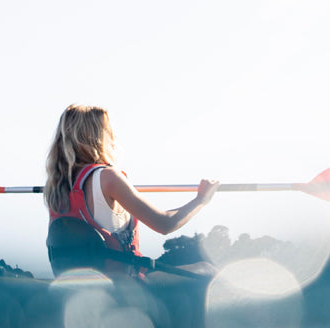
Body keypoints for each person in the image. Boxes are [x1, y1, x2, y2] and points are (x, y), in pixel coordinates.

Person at [44, 104, 219, 277]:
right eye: (109, 130)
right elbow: (165, 224)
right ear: (97, 136)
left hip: (79, 287)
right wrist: (201, 199)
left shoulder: (57, 185)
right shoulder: (108, 177)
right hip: (127, 285)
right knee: (207, 270)